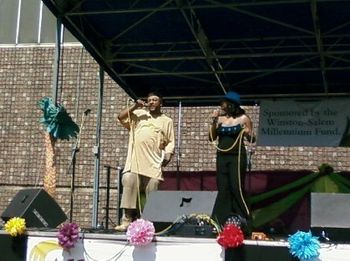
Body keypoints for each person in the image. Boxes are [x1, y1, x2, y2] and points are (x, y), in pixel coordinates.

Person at [115, 92, 175, 232]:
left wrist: (168, 154)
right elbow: (120, 117)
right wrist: (135, 105)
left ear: (161, 103)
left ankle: (148, 222)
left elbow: (171, 141)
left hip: (153, 162)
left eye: (155, 99)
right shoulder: (138, 114)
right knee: (128, 179)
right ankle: (127, 220)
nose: (152, 102)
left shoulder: (167, 121)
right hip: (135, 160)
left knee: (153, 185)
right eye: (149, 100)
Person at [209, 91, 255, 233]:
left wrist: (247, 132)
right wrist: (214, 121)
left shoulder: (244, 118)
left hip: (237, 156)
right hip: (222, 156)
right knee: (223, 188)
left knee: (237, 187)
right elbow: (211, 137)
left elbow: (252, 139)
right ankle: (218, 222)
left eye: (224, 102)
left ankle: (246, 220)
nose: (222, 105)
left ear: (232, 104)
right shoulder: (221, 119)